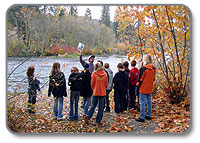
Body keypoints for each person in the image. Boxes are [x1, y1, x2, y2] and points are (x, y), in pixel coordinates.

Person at [135, 54, 156, 122]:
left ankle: (142, 117)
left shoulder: (143, 69)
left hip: (143, 88)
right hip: (150, 87)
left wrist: (137, 86)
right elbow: (153, 79)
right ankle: (149, 115)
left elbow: (140, 79)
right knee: (149, 101)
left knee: (142, 102)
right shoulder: (153, 69)